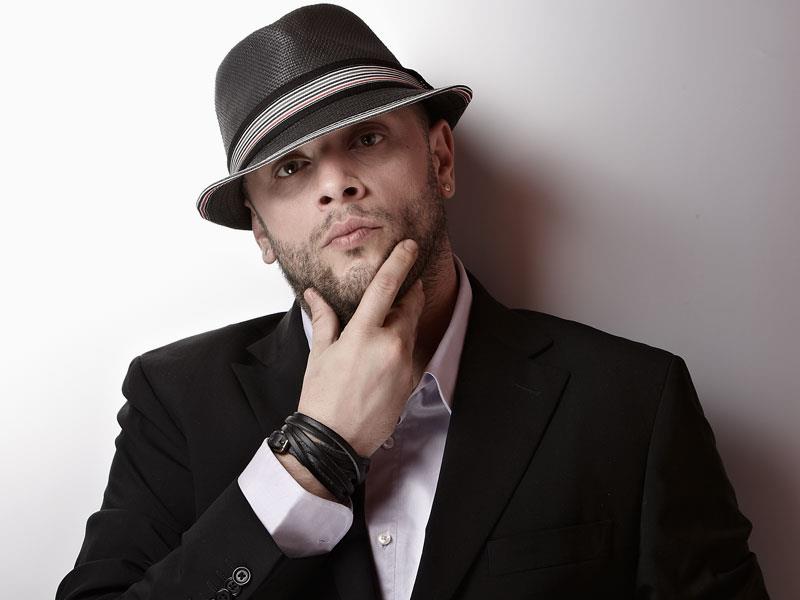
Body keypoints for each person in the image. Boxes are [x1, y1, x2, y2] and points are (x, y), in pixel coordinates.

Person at [57, 4, 769, 599]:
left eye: (366, 138)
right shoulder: (175, 400)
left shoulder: (631, 401)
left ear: (441, 160)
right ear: (262, 232)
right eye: (291, 167)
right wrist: (311, 455)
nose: (335, 184)